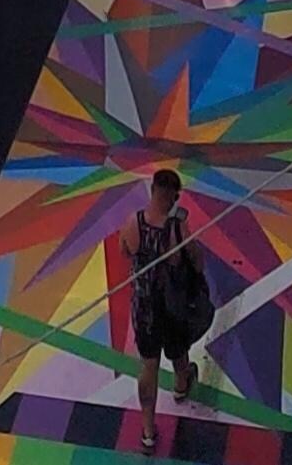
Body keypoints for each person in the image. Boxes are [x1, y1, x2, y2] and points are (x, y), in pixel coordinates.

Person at [120, 167, 204, 452]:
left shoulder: (134, 222)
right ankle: (181, 385)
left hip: (144, 307)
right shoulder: (178, 229)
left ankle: (147, 432)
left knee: (148, 365)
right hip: (172, 306)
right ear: (174, 197)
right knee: (179, 350)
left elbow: (125, 251)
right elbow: (196, 260)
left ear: (153, 190)